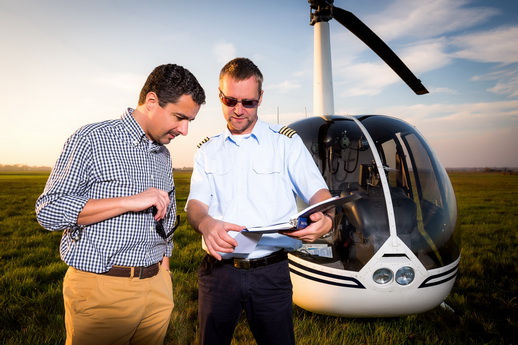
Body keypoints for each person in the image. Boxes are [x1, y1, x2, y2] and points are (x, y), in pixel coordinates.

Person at [35, 64, 206, 345]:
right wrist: (129, 202)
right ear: (151, 102)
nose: (185, 130)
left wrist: (164, 268)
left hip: (157, 288)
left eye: (190, 120)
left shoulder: (163, 154)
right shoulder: (92, 139)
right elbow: (49, 211)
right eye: (179, 117)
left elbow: (167, 215)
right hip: (103, 289)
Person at [186, 57, 334, 345]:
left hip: (271, 273)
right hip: (218, 273)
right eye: (230, 101)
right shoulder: (207, 150)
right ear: (219, 96)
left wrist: (326, 219)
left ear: (261, 98)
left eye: (248, 102)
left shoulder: (285, 142)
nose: (239, 110)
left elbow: (319, 193)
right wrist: (205, 223)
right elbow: (196, 205)